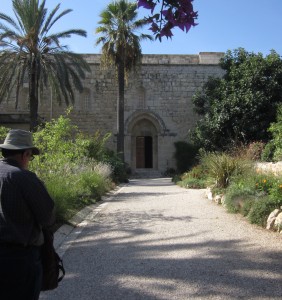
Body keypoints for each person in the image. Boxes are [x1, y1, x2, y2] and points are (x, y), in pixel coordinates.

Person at [0, 129, 55, 300]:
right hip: (20, 260)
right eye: (30, 156)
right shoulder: (24, 178)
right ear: (25, 154)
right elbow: (47, 217)